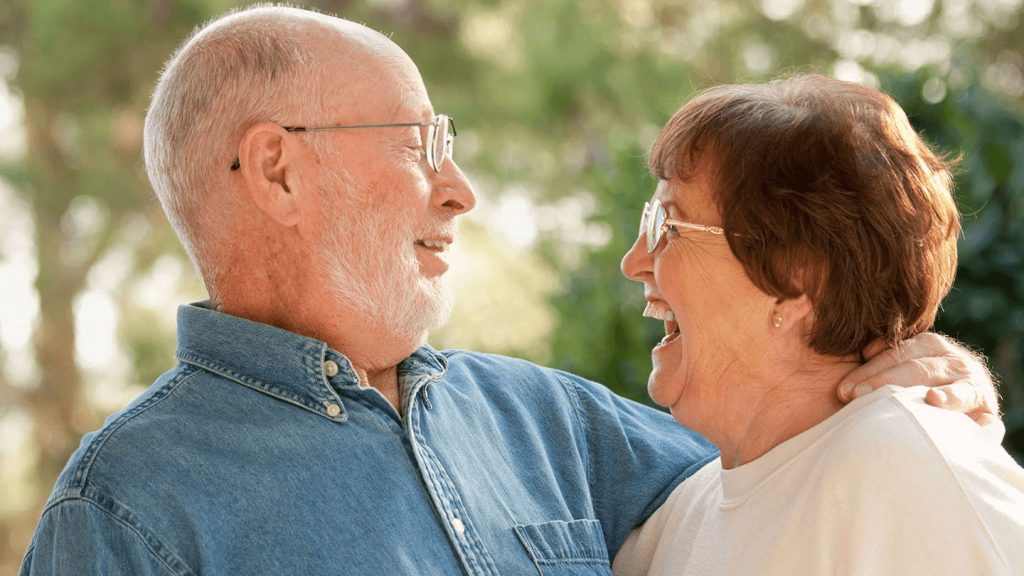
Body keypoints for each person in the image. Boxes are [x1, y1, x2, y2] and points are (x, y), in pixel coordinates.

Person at [19, 7, 999, 575]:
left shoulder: (551, 423)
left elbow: (786, 453)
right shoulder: (122, 516)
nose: (461, 190)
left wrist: (913, 361)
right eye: (420, 145)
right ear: (278, 172)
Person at [613, 75, 1024, 576]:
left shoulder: (906, 471)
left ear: (795, 276)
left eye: (668, 227)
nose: (634, 261)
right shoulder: (675, 521)